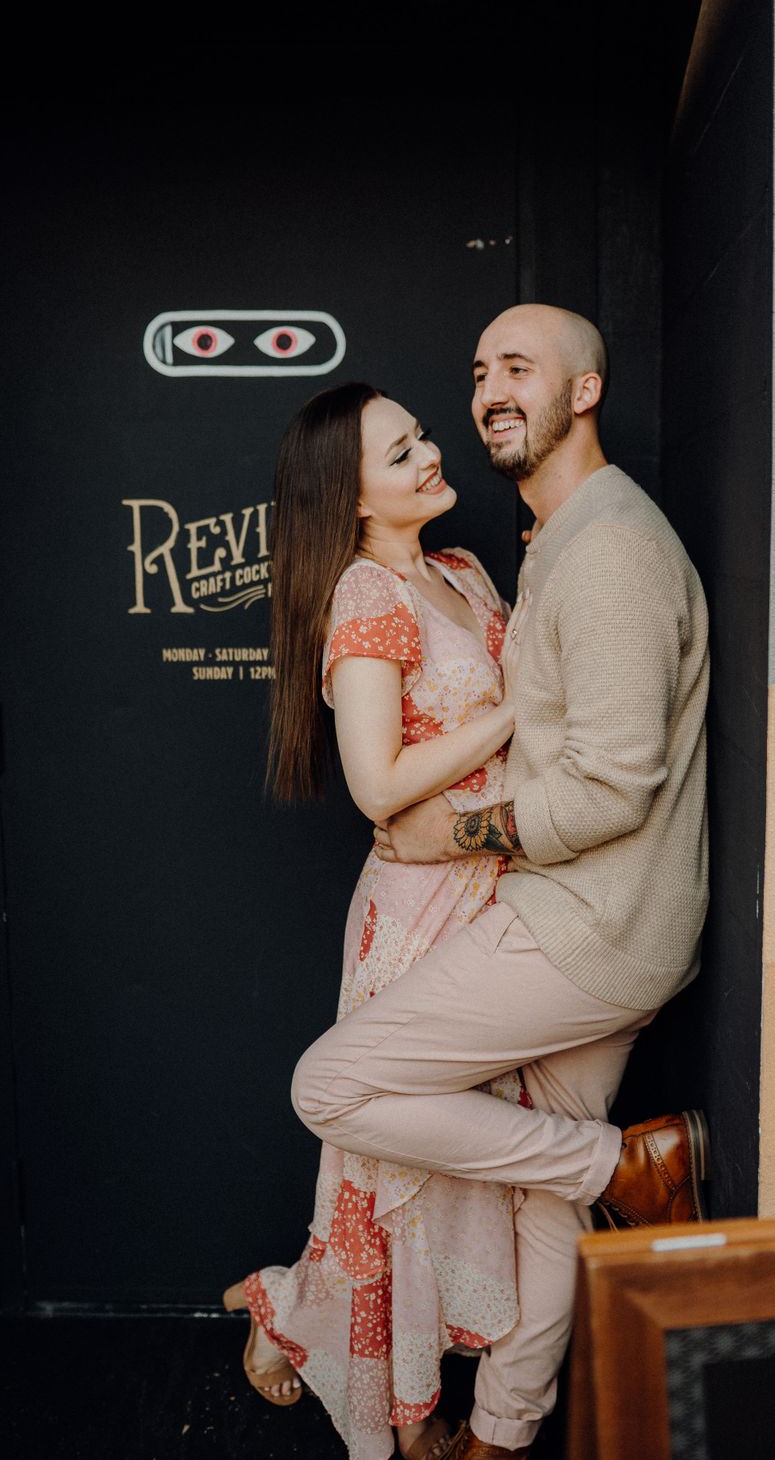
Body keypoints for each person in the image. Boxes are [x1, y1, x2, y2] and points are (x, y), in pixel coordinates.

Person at [290, 304, 711, 1460]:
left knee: (332, 1086)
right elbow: (406, 767)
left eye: (519, 367)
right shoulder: (552, 541)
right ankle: (506, 1431)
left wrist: (463, 833)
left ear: (585, 389)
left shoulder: (604, 548)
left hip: (583, 923)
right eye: (479, 371)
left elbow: (611, 786)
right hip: (587, 913)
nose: (484, 396)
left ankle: (627, 1165)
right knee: (545, 1187)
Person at [225, 381, 531, 1460]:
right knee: (396, 1163)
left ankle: (289, 1305)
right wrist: (515, 709)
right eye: (400, 454)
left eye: (422, 437)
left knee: (454, 1145)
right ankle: (402, 1407)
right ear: (351, 499)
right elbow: (377, 783)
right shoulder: (366, 594)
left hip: (496, 890)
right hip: (418, 915)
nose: (432, 455)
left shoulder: (464, 569)